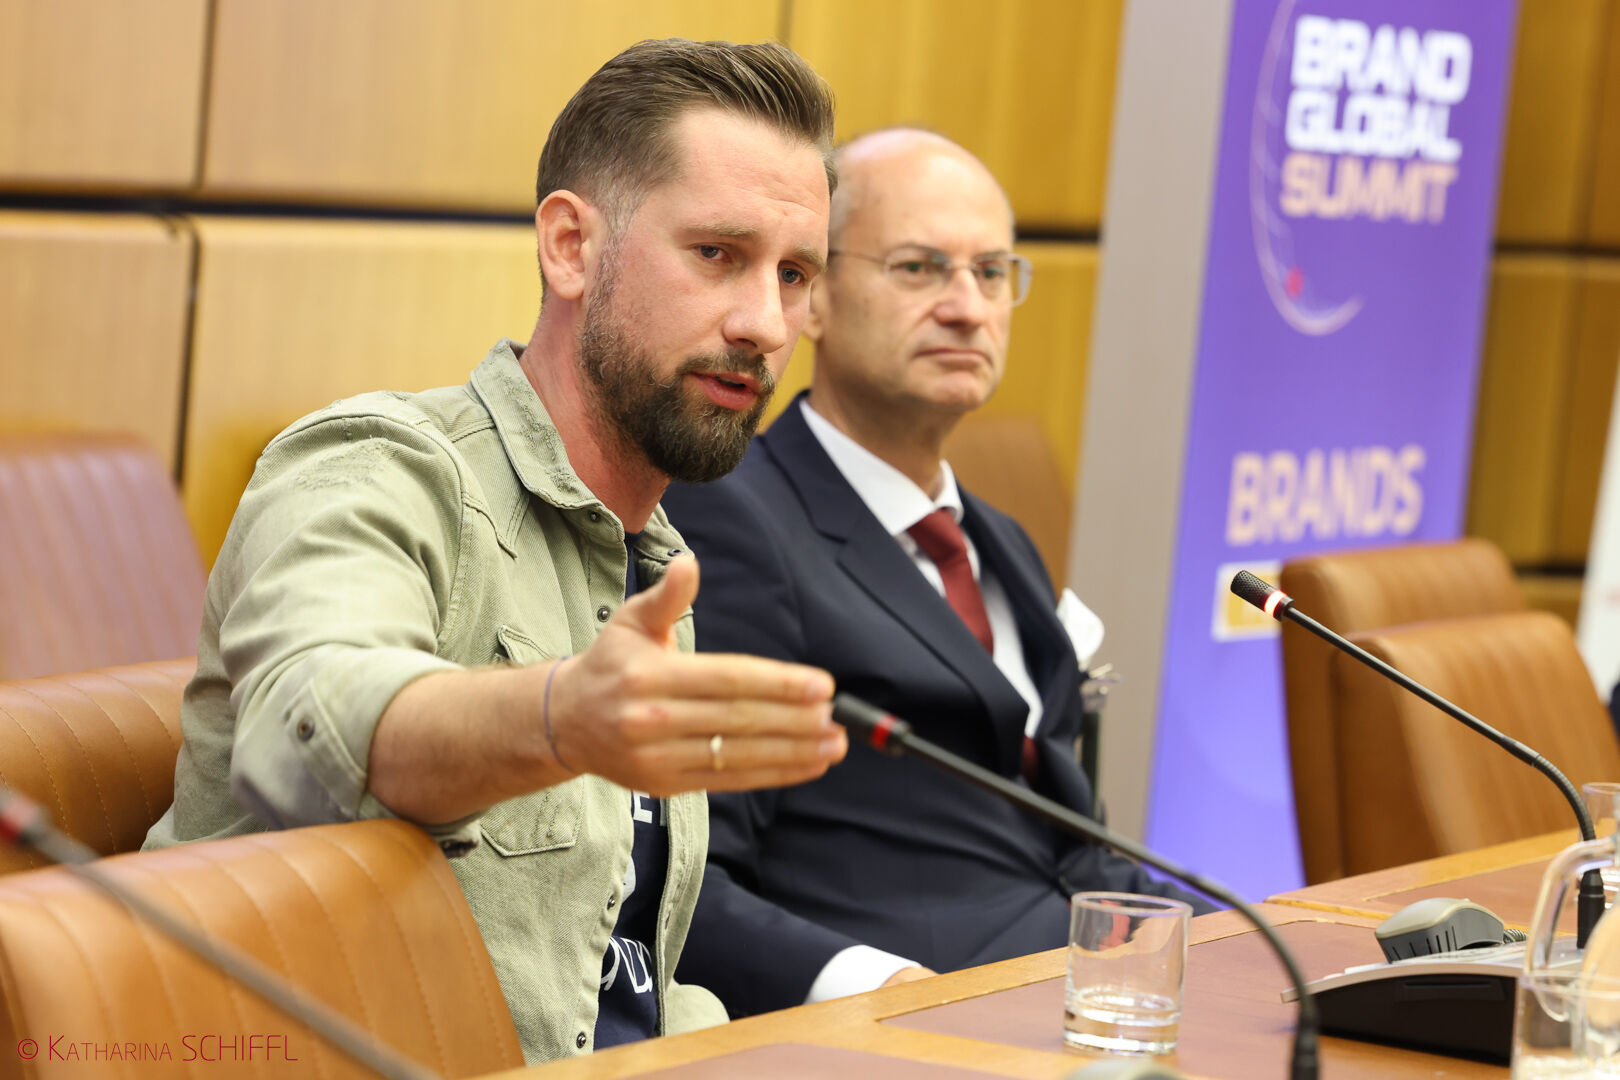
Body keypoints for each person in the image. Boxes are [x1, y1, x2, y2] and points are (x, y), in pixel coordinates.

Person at [144, 39, 846, 1064]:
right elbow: (312, 726)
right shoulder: (377, 465)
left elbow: (627, 982)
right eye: (716, 255)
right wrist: (559, 716)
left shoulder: (653, 559)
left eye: (796, 275)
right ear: (570, 247)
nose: (766, 324)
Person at [661, 128, 1210, 1018]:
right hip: (916, 1028)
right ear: (813, 297)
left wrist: (1234, 941)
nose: (967, 308)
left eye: (991, 273)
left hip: (1085, 999)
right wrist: (877, 988)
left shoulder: (1000, 540)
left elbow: (1069, 846)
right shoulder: (737, 520)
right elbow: (691, 879)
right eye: (919, 269)